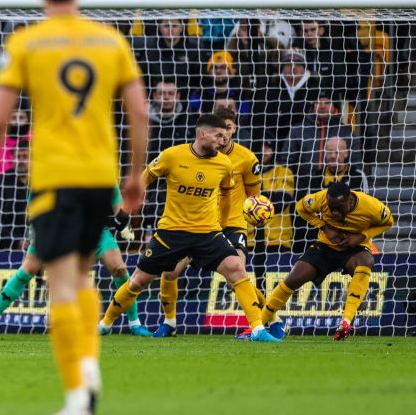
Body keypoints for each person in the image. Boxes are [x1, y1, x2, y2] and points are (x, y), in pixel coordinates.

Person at [0, 0, 150, 415]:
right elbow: (139, 114)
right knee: (86, 275)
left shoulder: (28, 42)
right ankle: (89, 372)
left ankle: (78, 391)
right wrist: (134, 176)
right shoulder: (110, 41)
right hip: (99, 176)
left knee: (62, 282)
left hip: (53, 177)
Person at [99, 114, 281, 343]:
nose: (221, 142)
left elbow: (225, 194)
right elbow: (142, 182)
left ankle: (258, 329)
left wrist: (223, 226)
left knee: (236, 268)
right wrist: (124, 214)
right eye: (218, 136)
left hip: (208, 233)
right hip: (171, 233)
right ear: (202, 134)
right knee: (138, 281)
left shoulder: (225, 164)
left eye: (225, 136)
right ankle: (105, 324)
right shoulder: (173, 156)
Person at [0, 188, 154, 337]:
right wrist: (34, 230)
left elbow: (117, 203)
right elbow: (33, 203)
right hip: (56, 227)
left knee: (119, 268)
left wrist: (123, 221)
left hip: (95, 229)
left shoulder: (98, 165)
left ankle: (134, 323)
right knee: (28, 269)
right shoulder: (54, 163)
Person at [261, 182, 393, 341]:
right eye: (331, 207)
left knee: (366, 260)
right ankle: (257, 326)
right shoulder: (320, 199)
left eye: (339, 208)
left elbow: (388, 222)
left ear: (350, 200)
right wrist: (324, 227)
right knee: (295, 276)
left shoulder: (371, 206)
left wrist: (361, 236)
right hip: (326, 246)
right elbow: (300, 207)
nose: (335, 212)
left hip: (354, 248)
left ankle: (345, 323)